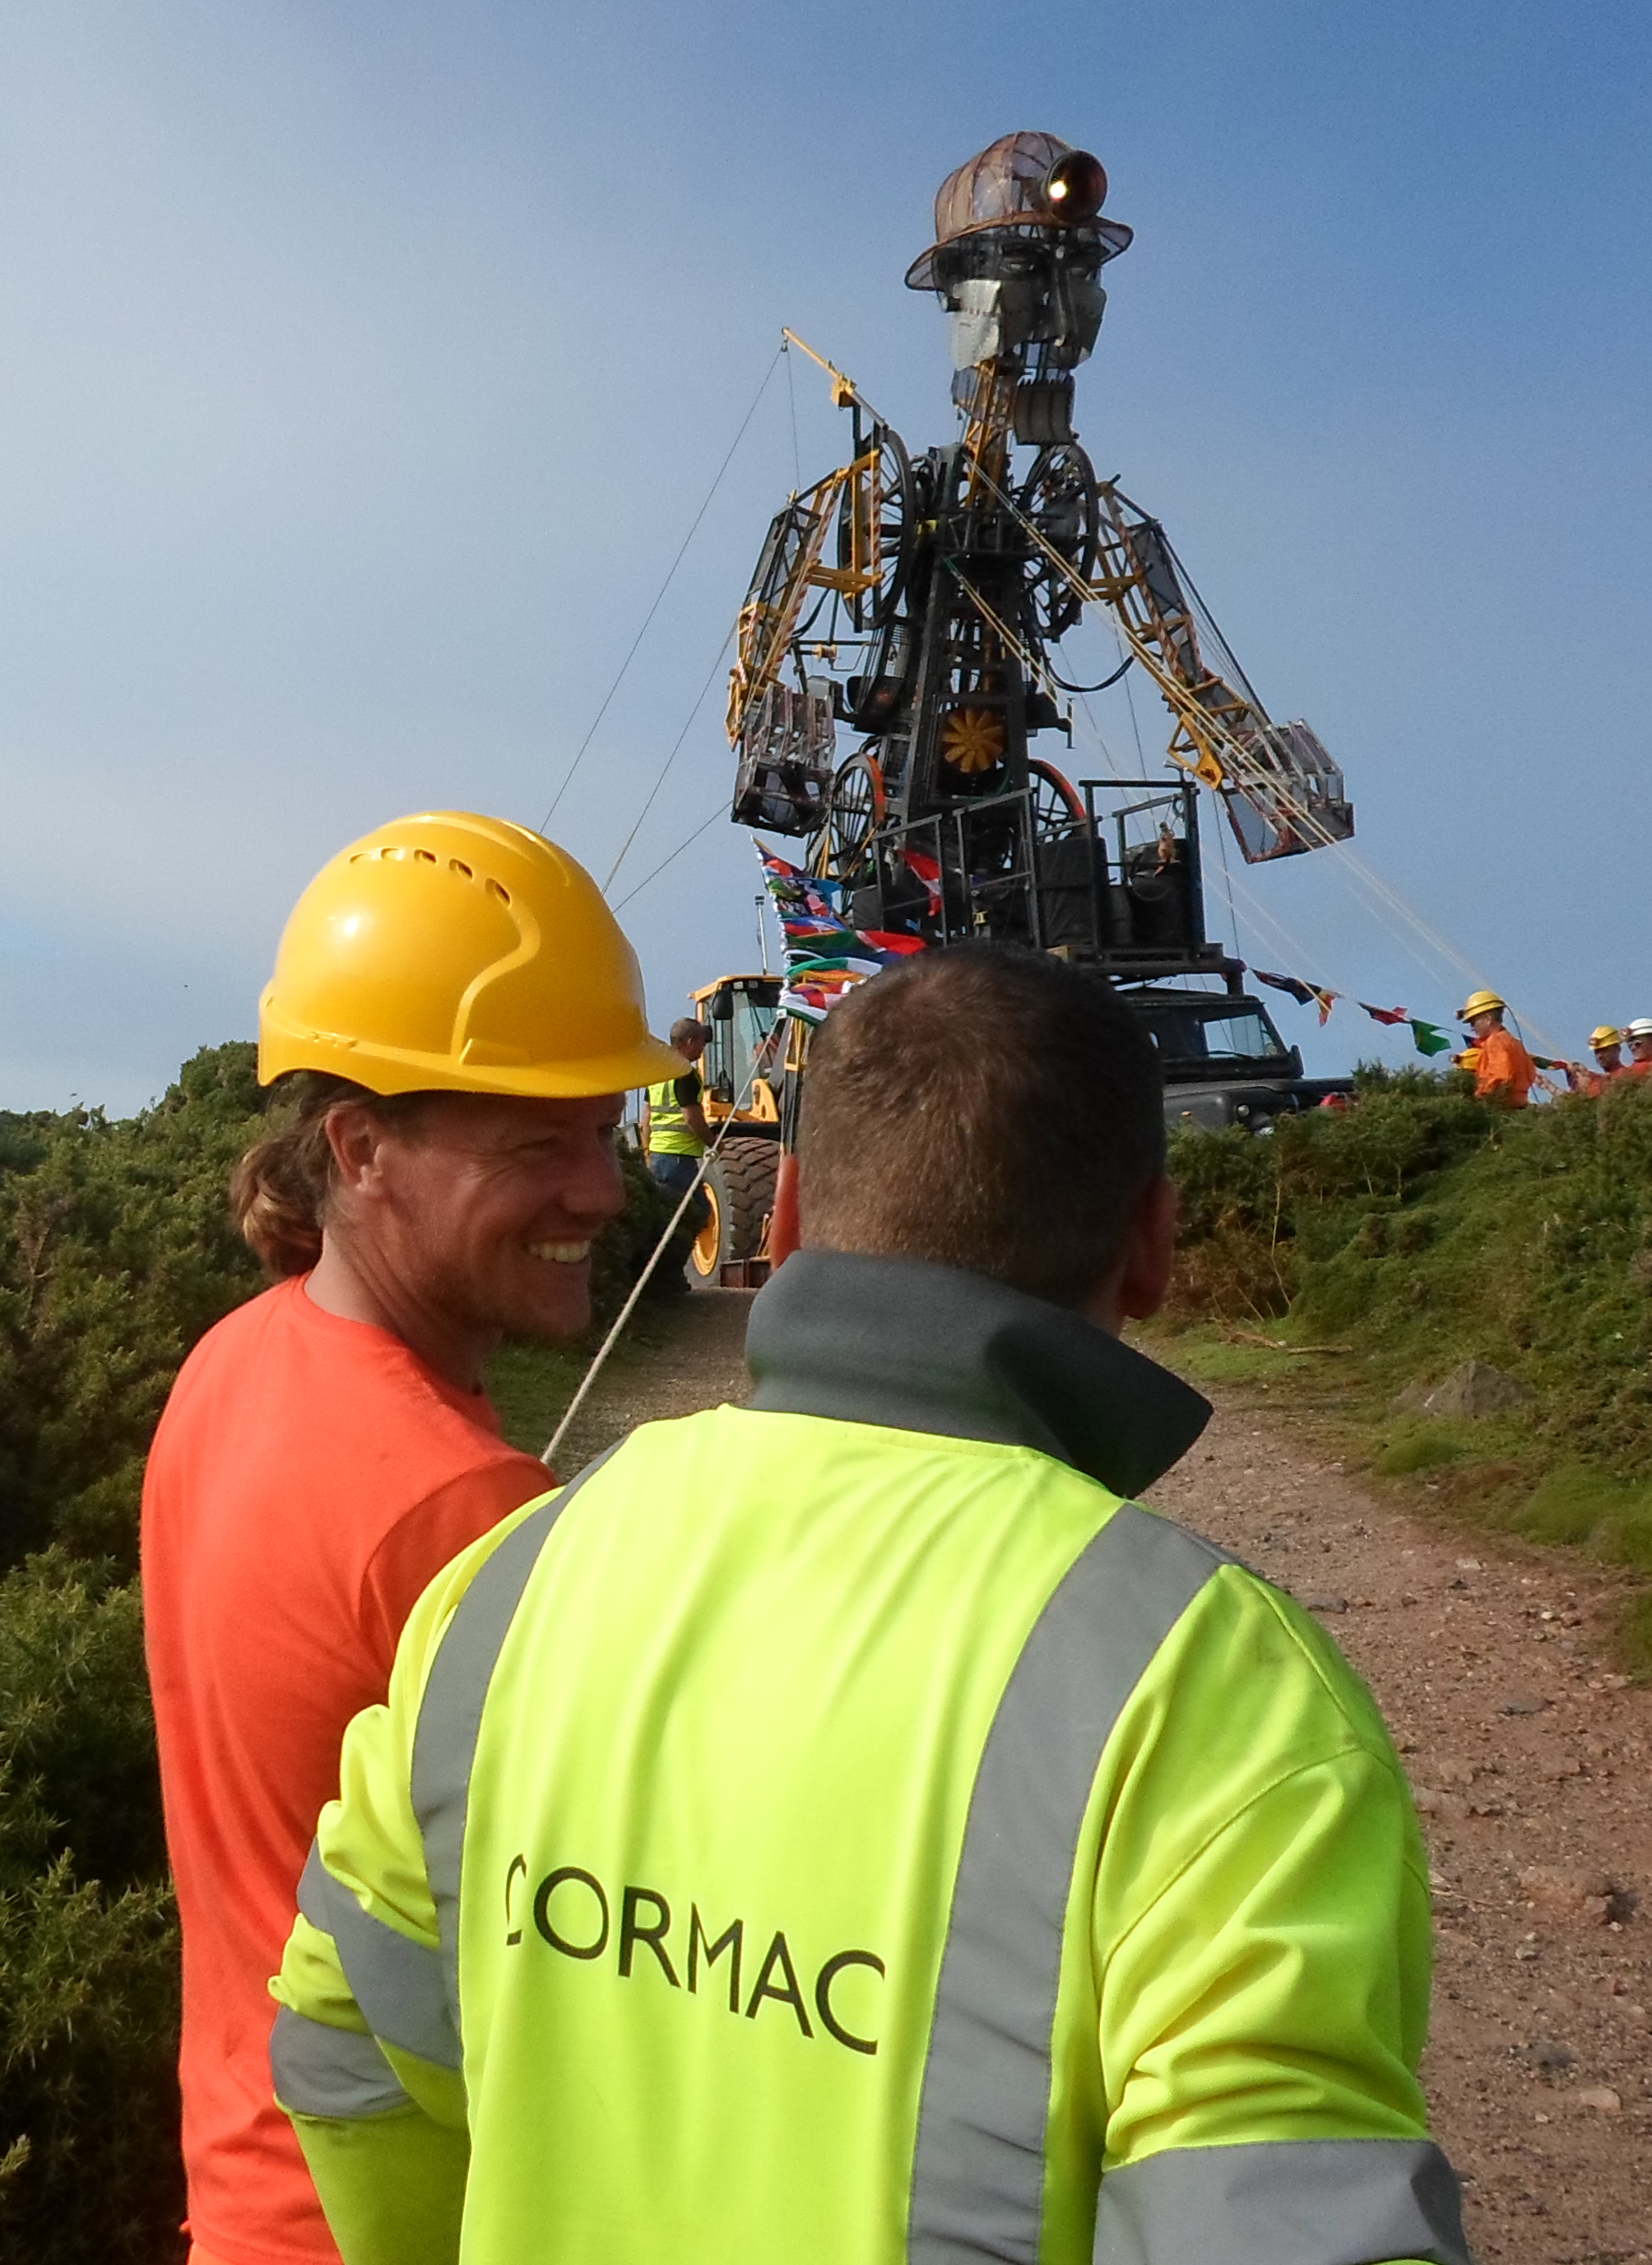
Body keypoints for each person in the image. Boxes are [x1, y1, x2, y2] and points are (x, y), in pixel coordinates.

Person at [269, 944, 1467, 2265]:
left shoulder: (512, 1572)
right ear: (1154, 1247)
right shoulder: (1223, 1693)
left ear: (778, 1222)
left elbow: (340, 2036)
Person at [142, 811, 684, 2265]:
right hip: (389, 2216)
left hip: (248, 2183)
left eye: (601, 1127)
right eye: (535, 1141)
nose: (598, 1185)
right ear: (360, 1146)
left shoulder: (231, 1361)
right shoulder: (464, 1511)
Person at [638, 1015, 713, 1285]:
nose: (704, 1048)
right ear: (690, 1041)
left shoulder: (658, 1072)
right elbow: (692, 1117)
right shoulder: (685, 1073)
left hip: (660, 1155)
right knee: (695, 1214)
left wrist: (647, 1150)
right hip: (679, 1157)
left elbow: (645, 1117)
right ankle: (670, 1276)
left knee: (667, 1215)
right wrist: (714, 1143)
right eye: (702, 1042)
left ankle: (661, 1275)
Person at [1457, 987, 1538, 1107]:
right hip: (1519, 1104)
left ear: (1488, 1019)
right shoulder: (1514, 1042)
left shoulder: (1496, 1042)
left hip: (1502, 1107)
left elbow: (1500, 1078)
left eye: (1473, 1022)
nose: (1472, 1028)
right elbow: (1530, 1073)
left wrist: (1479, 1098)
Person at [1571, 1024, 1626, 1095]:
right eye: (1597, 1052)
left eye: (1604, 1050)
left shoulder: (1627, 1075)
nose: (1599, 1056)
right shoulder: (1598, 1080)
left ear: (1618, 1049)